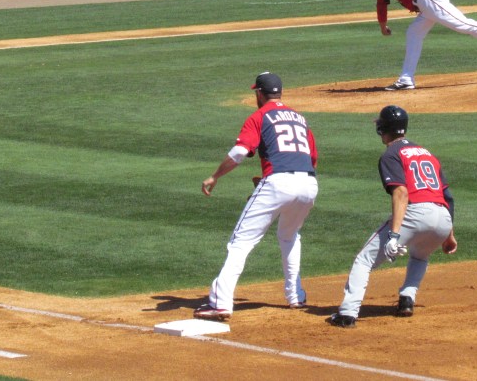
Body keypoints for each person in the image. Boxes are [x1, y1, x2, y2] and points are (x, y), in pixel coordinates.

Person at [195, 72, 319, 320]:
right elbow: (312, 158)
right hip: (309, 183)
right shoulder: (299, 118)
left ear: (259, 94)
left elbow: (240, 152)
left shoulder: (259, 116)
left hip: (278, 182)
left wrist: (215, 176)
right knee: (289, 236)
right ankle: (295, 296)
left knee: (240, 243)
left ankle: (221, 303)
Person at [328, 105, 457, 328]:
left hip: (416, 213)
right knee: (420, 255)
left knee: (364, 259)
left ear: (384, 128)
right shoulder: (427, 153)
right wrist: (449, 234)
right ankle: (407, 298)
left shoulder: (391, 154)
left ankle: (347, 313)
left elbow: (401, 192)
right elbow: (446, 196)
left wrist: (395, 235)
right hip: (443, 217)